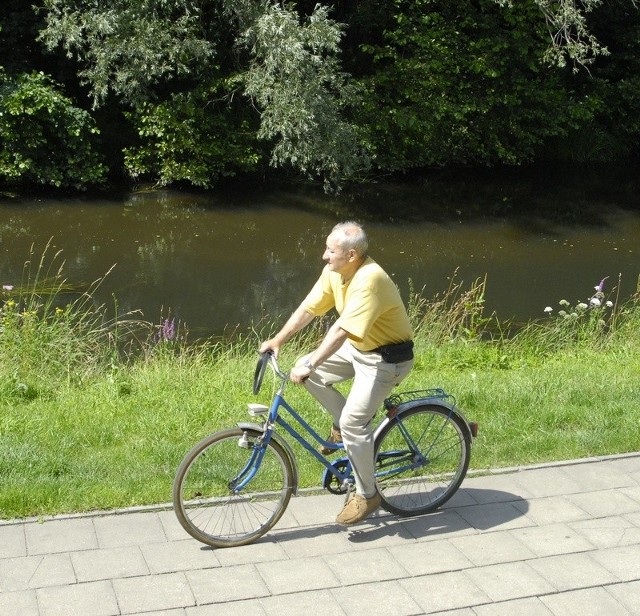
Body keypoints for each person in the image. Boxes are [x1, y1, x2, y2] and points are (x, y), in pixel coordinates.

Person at [259, 221, 414, 525]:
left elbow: (341, 330)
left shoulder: (370, 280)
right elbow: (310, 308)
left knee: (353, 421)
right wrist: (278, 340)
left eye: (331, 251)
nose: (324, 256)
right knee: (306, 370)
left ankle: (368, 495)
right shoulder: (336, 272)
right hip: (360, 348)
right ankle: (341, 427)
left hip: (384, 359)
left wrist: (313, 362)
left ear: (352, 254)